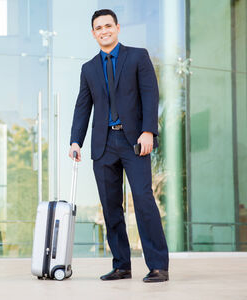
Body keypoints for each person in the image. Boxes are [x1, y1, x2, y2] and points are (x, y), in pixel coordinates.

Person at [69, 9, 169, 283]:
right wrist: (75, 140)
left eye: (108, 26)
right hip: (103, 145)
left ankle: (158, 265)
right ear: (93, 33)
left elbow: (151, 95)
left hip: (134, 141)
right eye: (98, 28)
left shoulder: (137, 56)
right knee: (111, 207)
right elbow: (82, 107)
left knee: (143, 200)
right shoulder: (88, 68)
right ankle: (122, 265)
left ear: (117, 28)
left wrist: (148, 130)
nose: (104, 31)